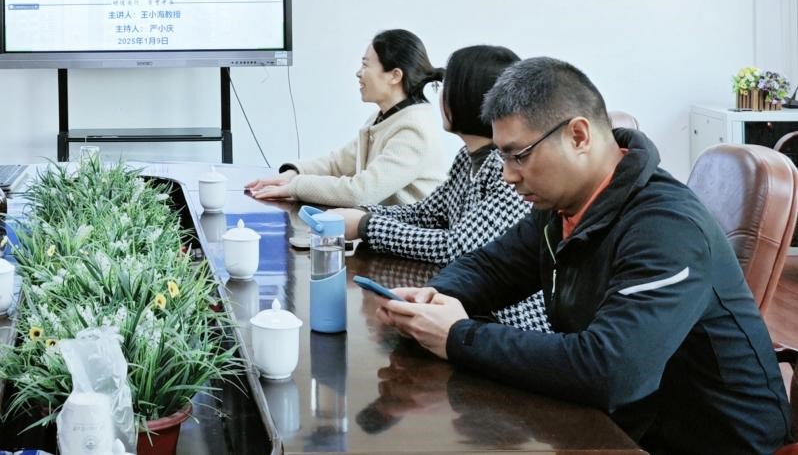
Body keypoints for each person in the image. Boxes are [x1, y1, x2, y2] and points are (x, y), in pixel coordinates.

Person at [376, 57, 792, 455]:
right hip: (623, 425)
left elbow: (611, 370)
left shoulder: (665, 227)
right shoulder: (562, 206)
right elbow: (492, 266)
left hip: (710, 444)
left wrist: (458, 336)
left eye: (519, 155)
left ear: (578, 136)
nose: (508, 174)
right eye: (502, 156)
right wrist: (436, 296)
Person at [334, 45, 547, 331]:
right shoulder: (467, 157)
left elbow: (457, 247)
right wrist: (359, 213)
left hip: (509, 323)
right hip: (471, 306)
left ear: (469, 97)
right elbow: (425, 213)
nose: (440, 98)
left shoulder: (507, 168)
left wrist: (365, 225)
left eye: (446, 88)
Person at [246, 28, 445, 206]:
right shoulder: (384, 117)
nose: (359, 73)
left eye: (366, 65)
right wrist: (292, 174)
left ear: (395, 76)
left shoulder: (414, 129)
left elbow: (361, 192)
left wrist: (295, 186)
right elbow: (337, 164)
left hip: (407, 233)